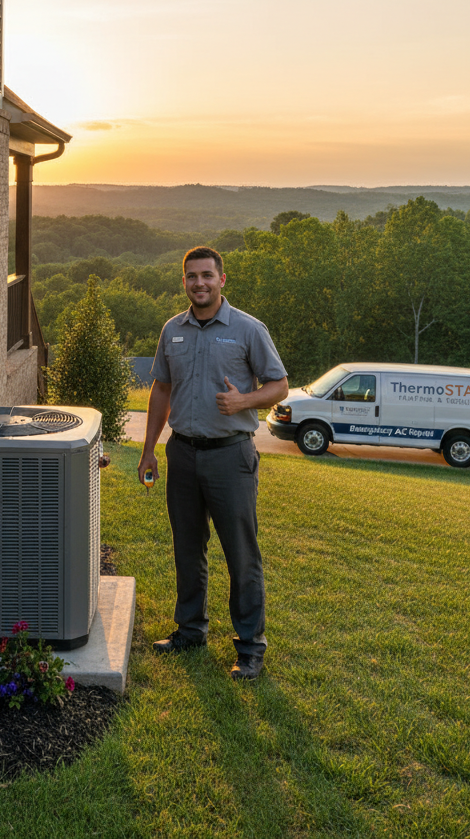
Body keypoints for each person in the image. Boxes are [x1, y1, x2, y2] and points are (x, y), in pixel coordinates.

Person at [138, 246, 288, 681]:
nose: (199, 283)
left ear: (222, 280)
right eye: (191, 276)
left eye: (207, 275)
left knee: (241, 554)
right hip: (182, 454)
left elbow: (278, 385)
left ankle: (250, 647)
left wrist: (244, 400)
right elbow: (162, 390)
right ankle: (189, 630)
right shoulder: (173, 330)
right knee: (187, 548)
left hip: (230, 456)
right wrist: (149, 449)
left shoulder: (247, 329)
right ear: (183, 282)